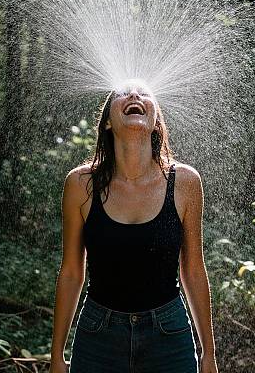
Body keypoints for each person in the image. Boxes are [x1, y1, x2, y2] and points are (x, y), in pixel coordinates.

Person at [49, 79, 218, 373]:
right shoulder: (80, 184)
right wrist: (56, 357)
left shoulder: (186, 183)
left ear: (156, 123)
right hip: (97, 336)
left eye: (143, 93)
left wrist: (209, 356)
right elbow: (72, 272)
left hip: (169, 335)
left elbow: (193, 270)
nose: (134, 95)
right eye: (123, 93)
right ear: (107, 124)